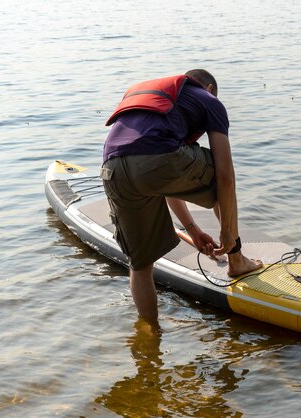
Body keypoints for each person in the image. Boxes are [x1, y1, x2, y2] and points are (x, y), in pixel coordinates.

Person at [101, 69, 262, 323]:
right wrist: (228, 233)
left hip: (112, 170)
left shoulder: (163, 98)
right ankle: (237, 260)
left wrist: (193, 229)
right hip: (159, 160)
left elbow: (163, 181)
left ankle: (149, 342)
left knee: (141, 265)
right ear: (209, 89)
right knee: (220, 177)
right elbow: (225, 178)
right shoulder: (210, 101)